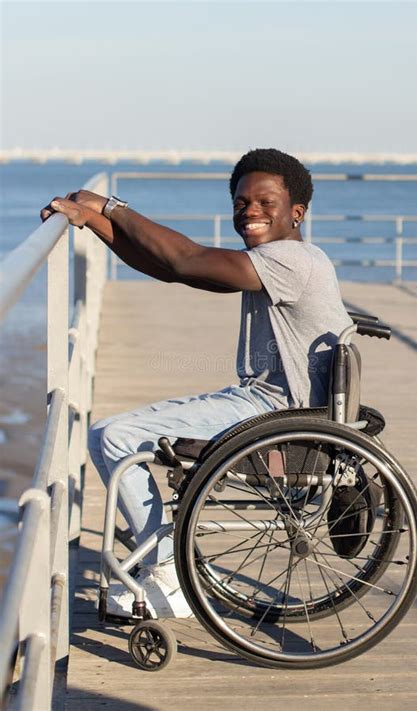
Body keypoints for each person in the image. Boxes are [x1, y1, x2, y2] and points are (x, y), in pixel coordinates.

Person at [41, 148, 352, 619]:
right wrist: (93, 222)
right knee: (119, 435)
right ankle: (168, 561)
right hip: (269, 403)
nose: (250, 211)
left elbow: (185, 258)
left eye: (265, 202)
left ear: (297, 212)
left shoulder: (291, 260)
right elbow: (170, 268)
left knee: (113, 436)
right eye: (242, 202)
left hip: (277, 412)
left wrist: (111, 207)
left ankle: (169, 569)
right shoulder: (276, 259)